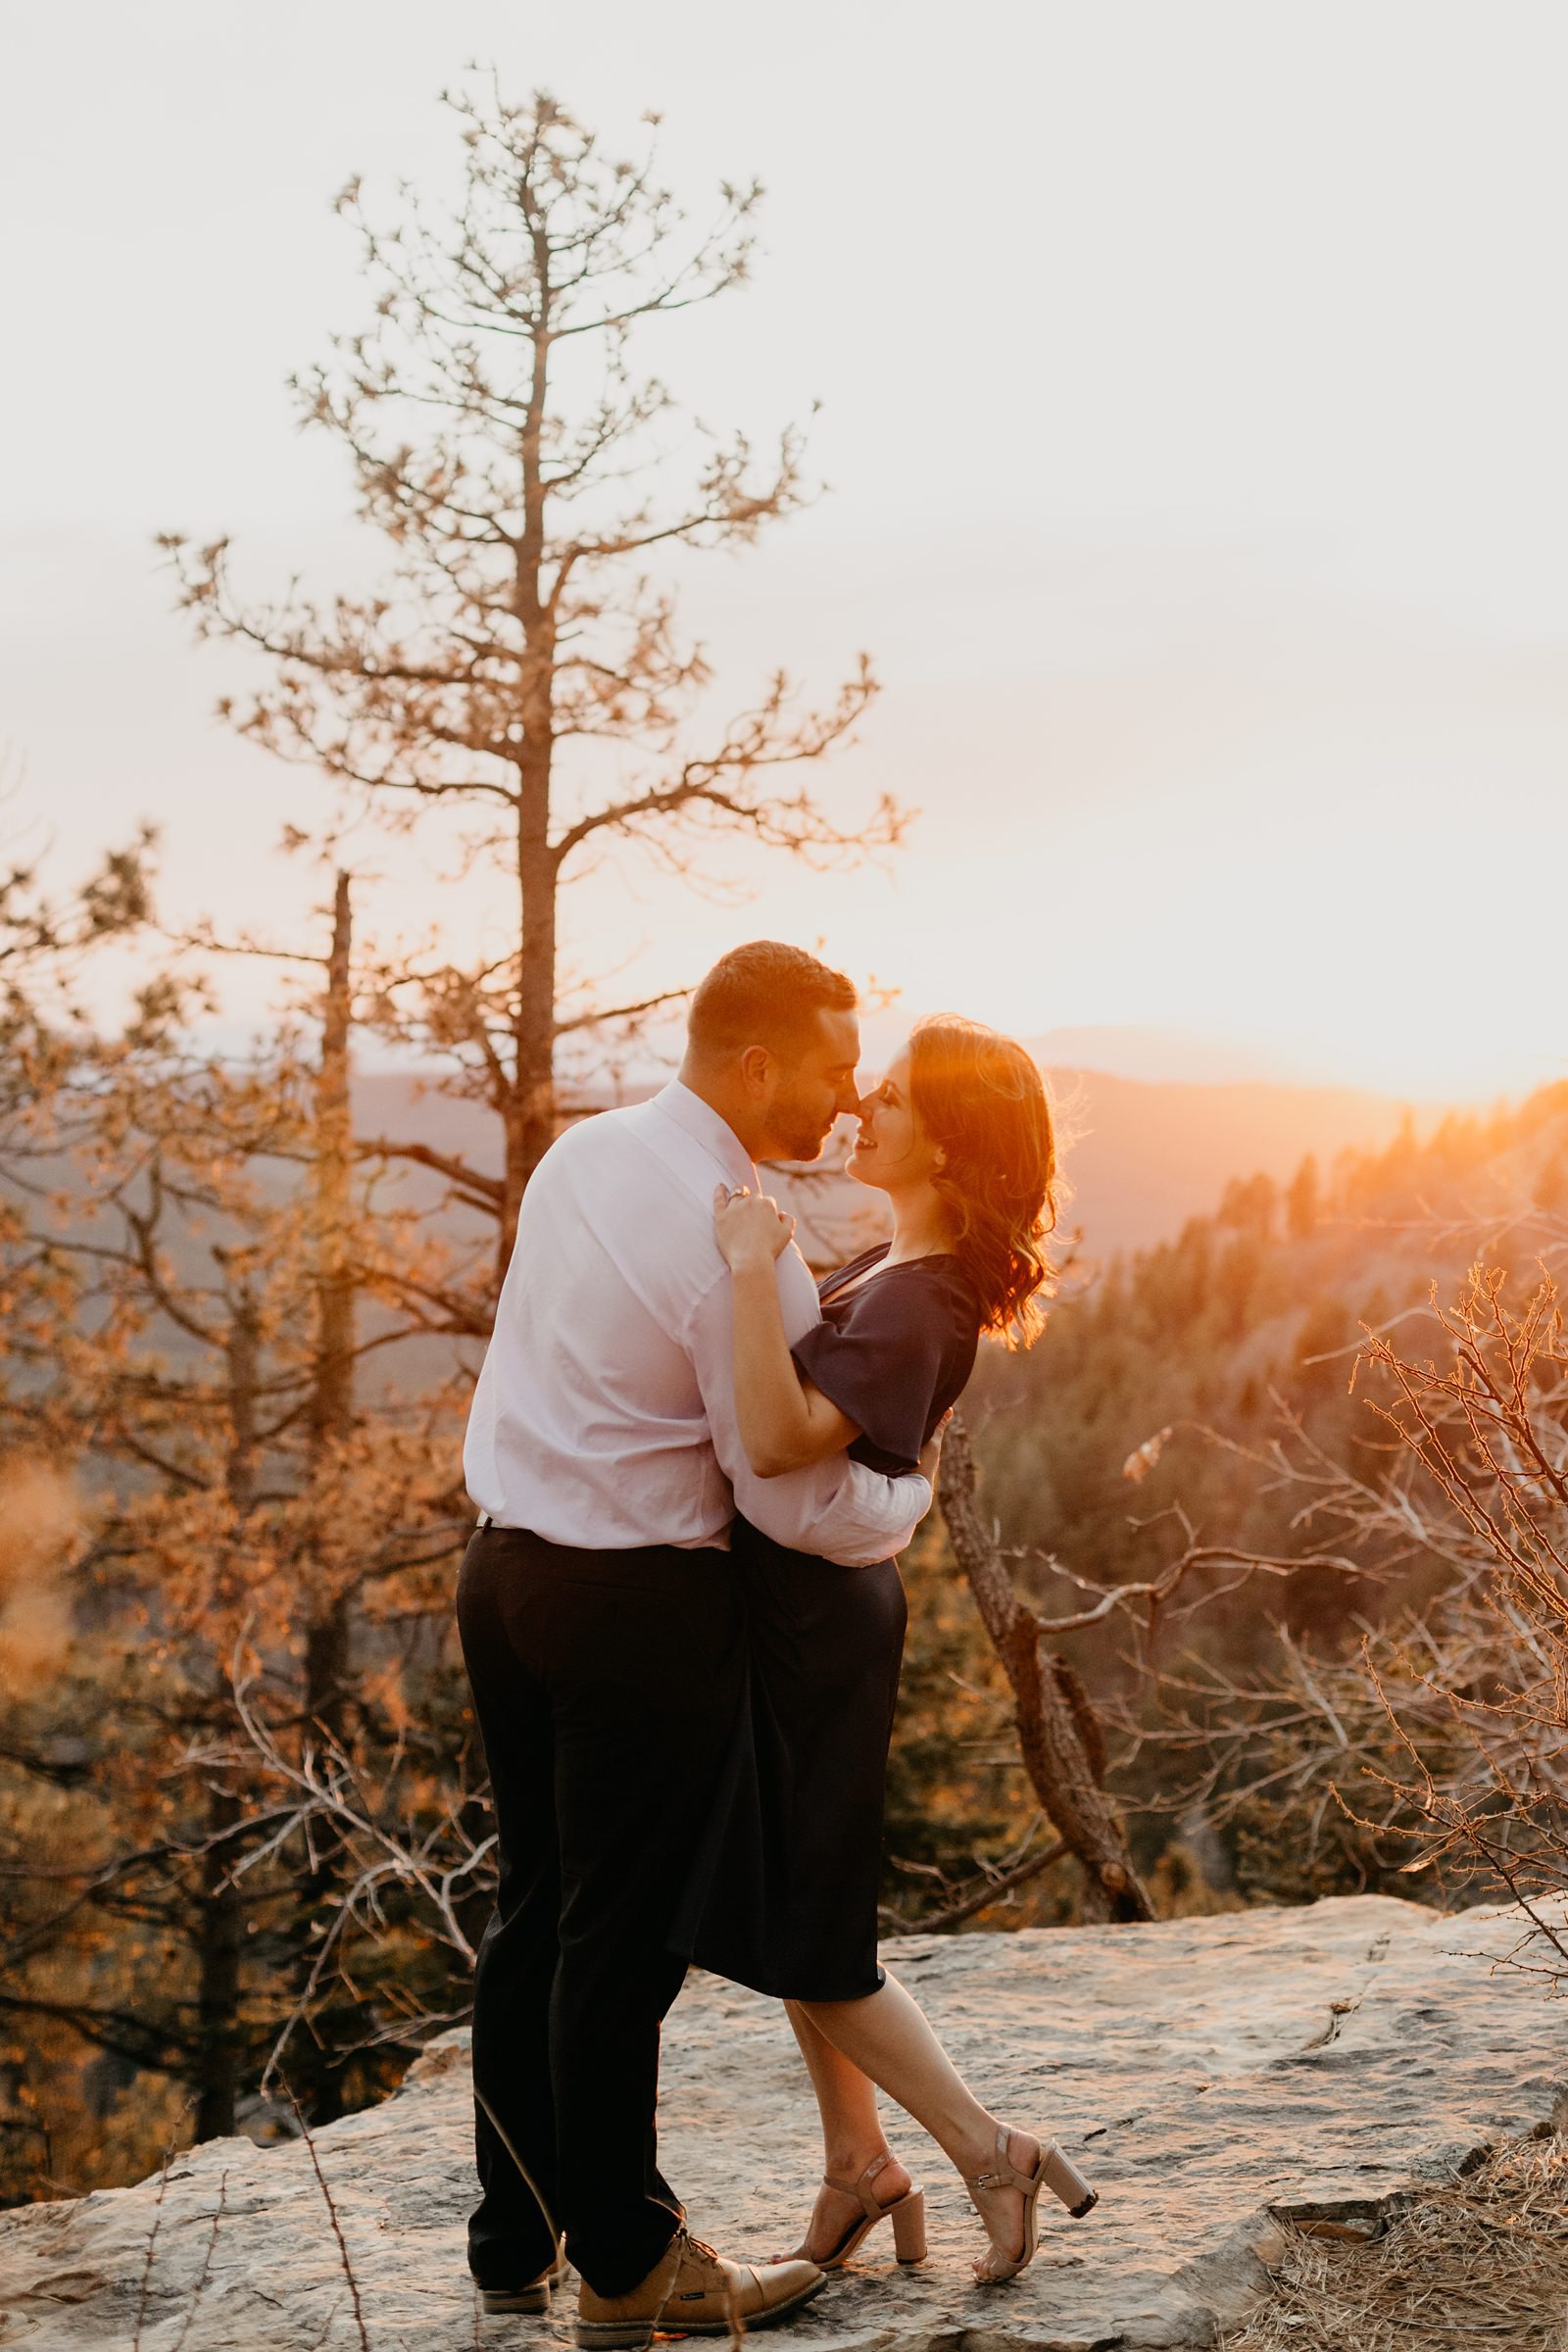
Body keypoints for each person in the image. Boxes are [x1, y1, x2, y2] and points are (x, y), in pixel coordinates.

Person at [456, 943, 936, 2348]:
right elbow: (789, 1488)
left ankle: (514, 2231)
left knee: (536, 1911)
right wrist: (906, 1499)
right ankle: (629, 2261)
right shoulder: (736, 1233)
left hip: (504, 1574)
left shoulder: (585, 1156)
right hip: (635, 1606)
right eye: (839, 1065)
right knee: (621, 1945)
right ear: (760, 1066)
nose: (852, 1096)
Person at [676, 1016, 1099, 2284]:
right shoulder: (893, 1262)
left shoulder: (923, 1299)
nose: (868, 1102)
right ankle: (859, 2165)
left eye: (900, 1098)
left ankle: (988, 2153)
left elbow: (780, 1433)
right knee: (786, 1917)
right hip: (793, 1618)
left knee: (818, 1942)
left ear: (954, 1150)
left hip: (817, 1638)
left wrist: (754, 1265)